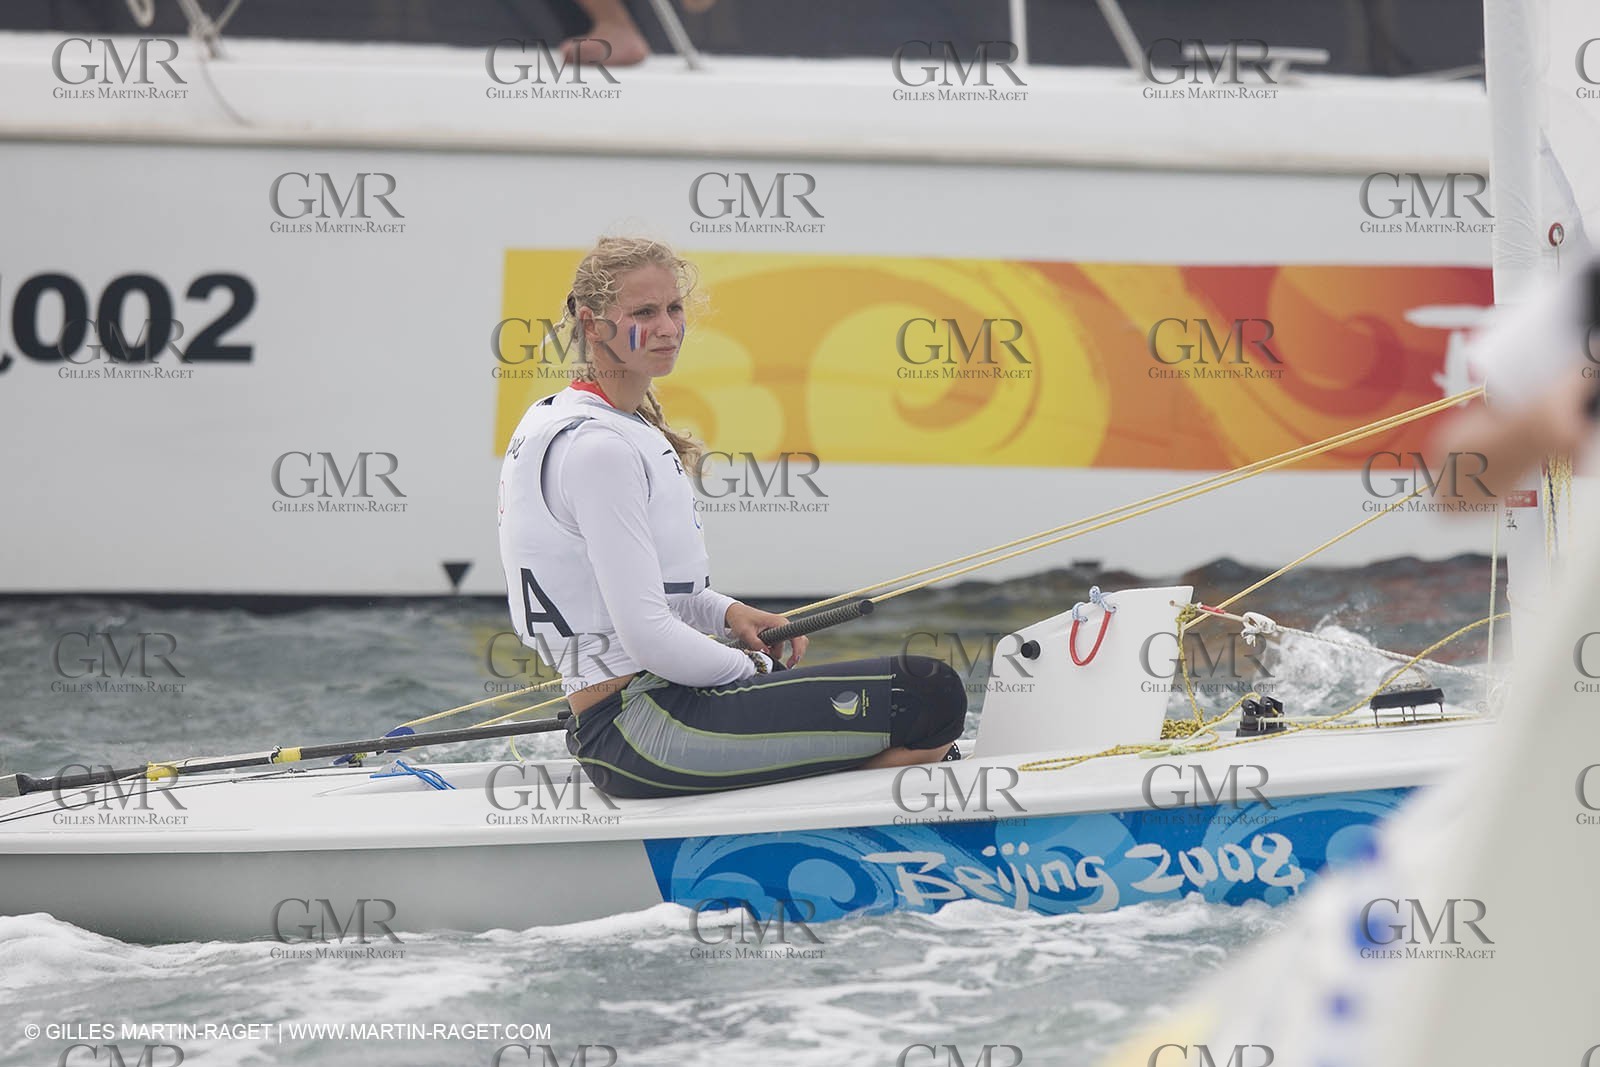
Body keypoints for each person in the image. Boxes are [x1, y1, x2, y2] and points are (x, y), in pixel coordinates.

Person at [498, 236, 966, 799]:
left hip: (643, 711)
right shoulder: (600, 448)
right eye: (644, 313)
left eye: (674, 309)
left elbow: (650, 600)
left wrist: (727, 614)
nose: (669, 327)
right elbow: (646, 636)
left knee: (909, 700)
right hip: (645, 728)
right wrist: (755, 672)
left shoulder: (572, 420)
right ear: (593, 325)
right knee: (928, 694)